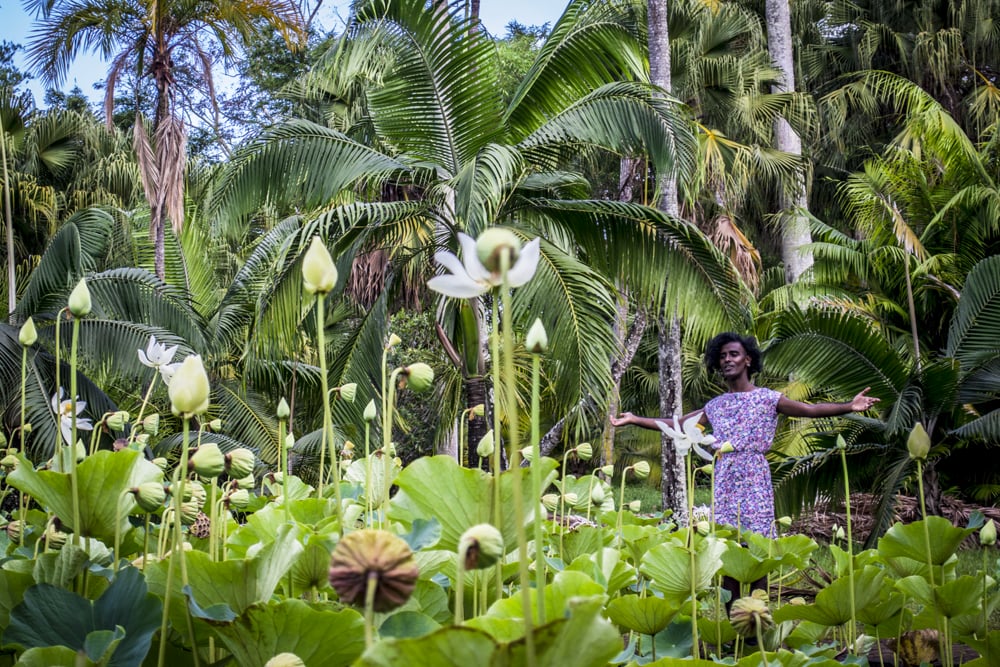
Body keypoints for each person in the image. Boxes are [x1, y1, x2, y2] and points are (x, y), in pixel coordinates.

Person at [610, 331, 880, 538]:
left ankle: (757, 606)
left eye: (733, 354)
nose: (727, 360)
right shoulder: (715, 406)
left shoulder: (767, 398)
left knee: (757, 539)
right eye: (723, 356)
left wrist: (849, 406)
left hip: (754, 473)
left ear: (748, 360)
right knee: (728, 540)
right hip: (725, 474)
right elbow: (678, 425)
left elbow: (809, 410)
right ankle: (733, 609)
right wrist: (635, 419)